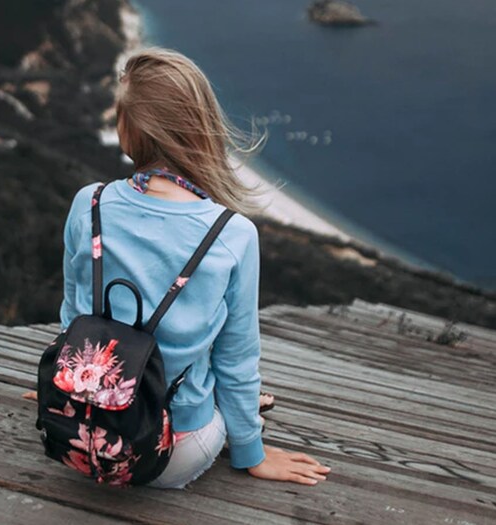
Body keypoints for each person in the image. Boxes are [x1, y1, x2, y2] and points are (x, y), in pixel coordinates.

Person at [29, 47, 331, 489]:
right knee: (224, 394)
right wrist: (252, 453)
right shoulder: (231, 233)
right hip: (170, 454)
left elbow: (75, 318)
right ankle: (237, 416)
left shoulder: (89, 204)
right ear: (201, 128)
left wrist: (64, 390)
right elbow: (236, 360)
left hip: (78, 433)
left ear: (129, 129)